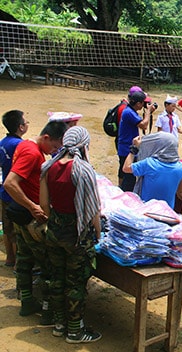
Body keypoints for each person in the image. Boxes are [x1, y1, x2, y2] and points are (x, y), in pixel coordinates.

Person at [39, 126, 102, 343]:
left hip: (55, 231)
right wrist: (98, 232)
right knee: (76, 283)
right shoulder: (83, 170)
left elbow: (44, 206)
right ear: (84, 144)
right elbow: (93, 209)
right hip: (77, 235)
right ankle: (75, 330)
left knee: (57, 278)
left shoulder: (48, 167)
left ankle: (58, 324)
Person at [4, 120, 67, 321]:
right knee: (47, 262)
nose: (53, 152)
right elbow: (10, 183)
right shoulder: (32, 153)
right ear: (46, 137)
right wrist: (33, 207)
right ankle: (48, 311)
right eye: (55, 147)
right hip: (29, 217)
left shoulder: (25, 145)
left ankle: (27, 301)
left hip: (20, 214)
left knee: (24, 258)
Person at [122, 132, 182, 209]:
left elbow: (126, 168)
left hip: (146, 209)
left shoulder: (149, 164)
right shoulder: (181, 167)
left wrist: (134, 149)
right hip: (167, 211)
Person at [0, 110, 28, 267]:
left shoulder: (3, 143)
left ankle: (10, 258)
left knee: (7, 227)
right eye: (26, 122)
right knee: (18, 231)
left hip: (4, 192)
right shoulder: (20, 145)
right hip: (17, 194)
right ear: (21, 127)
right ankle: (19, 261)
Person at [117, 90, 156, 191]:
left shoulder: (130, 111)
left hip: (128, 147)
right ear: (138, 103)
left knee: (129, 176)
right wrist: (148, 112)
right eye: (143, 103)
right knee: (129, 177)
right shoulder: (129, 112)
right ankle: (126, 195)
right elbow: (144, 125)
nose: (144, 105)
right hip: (127, 149)